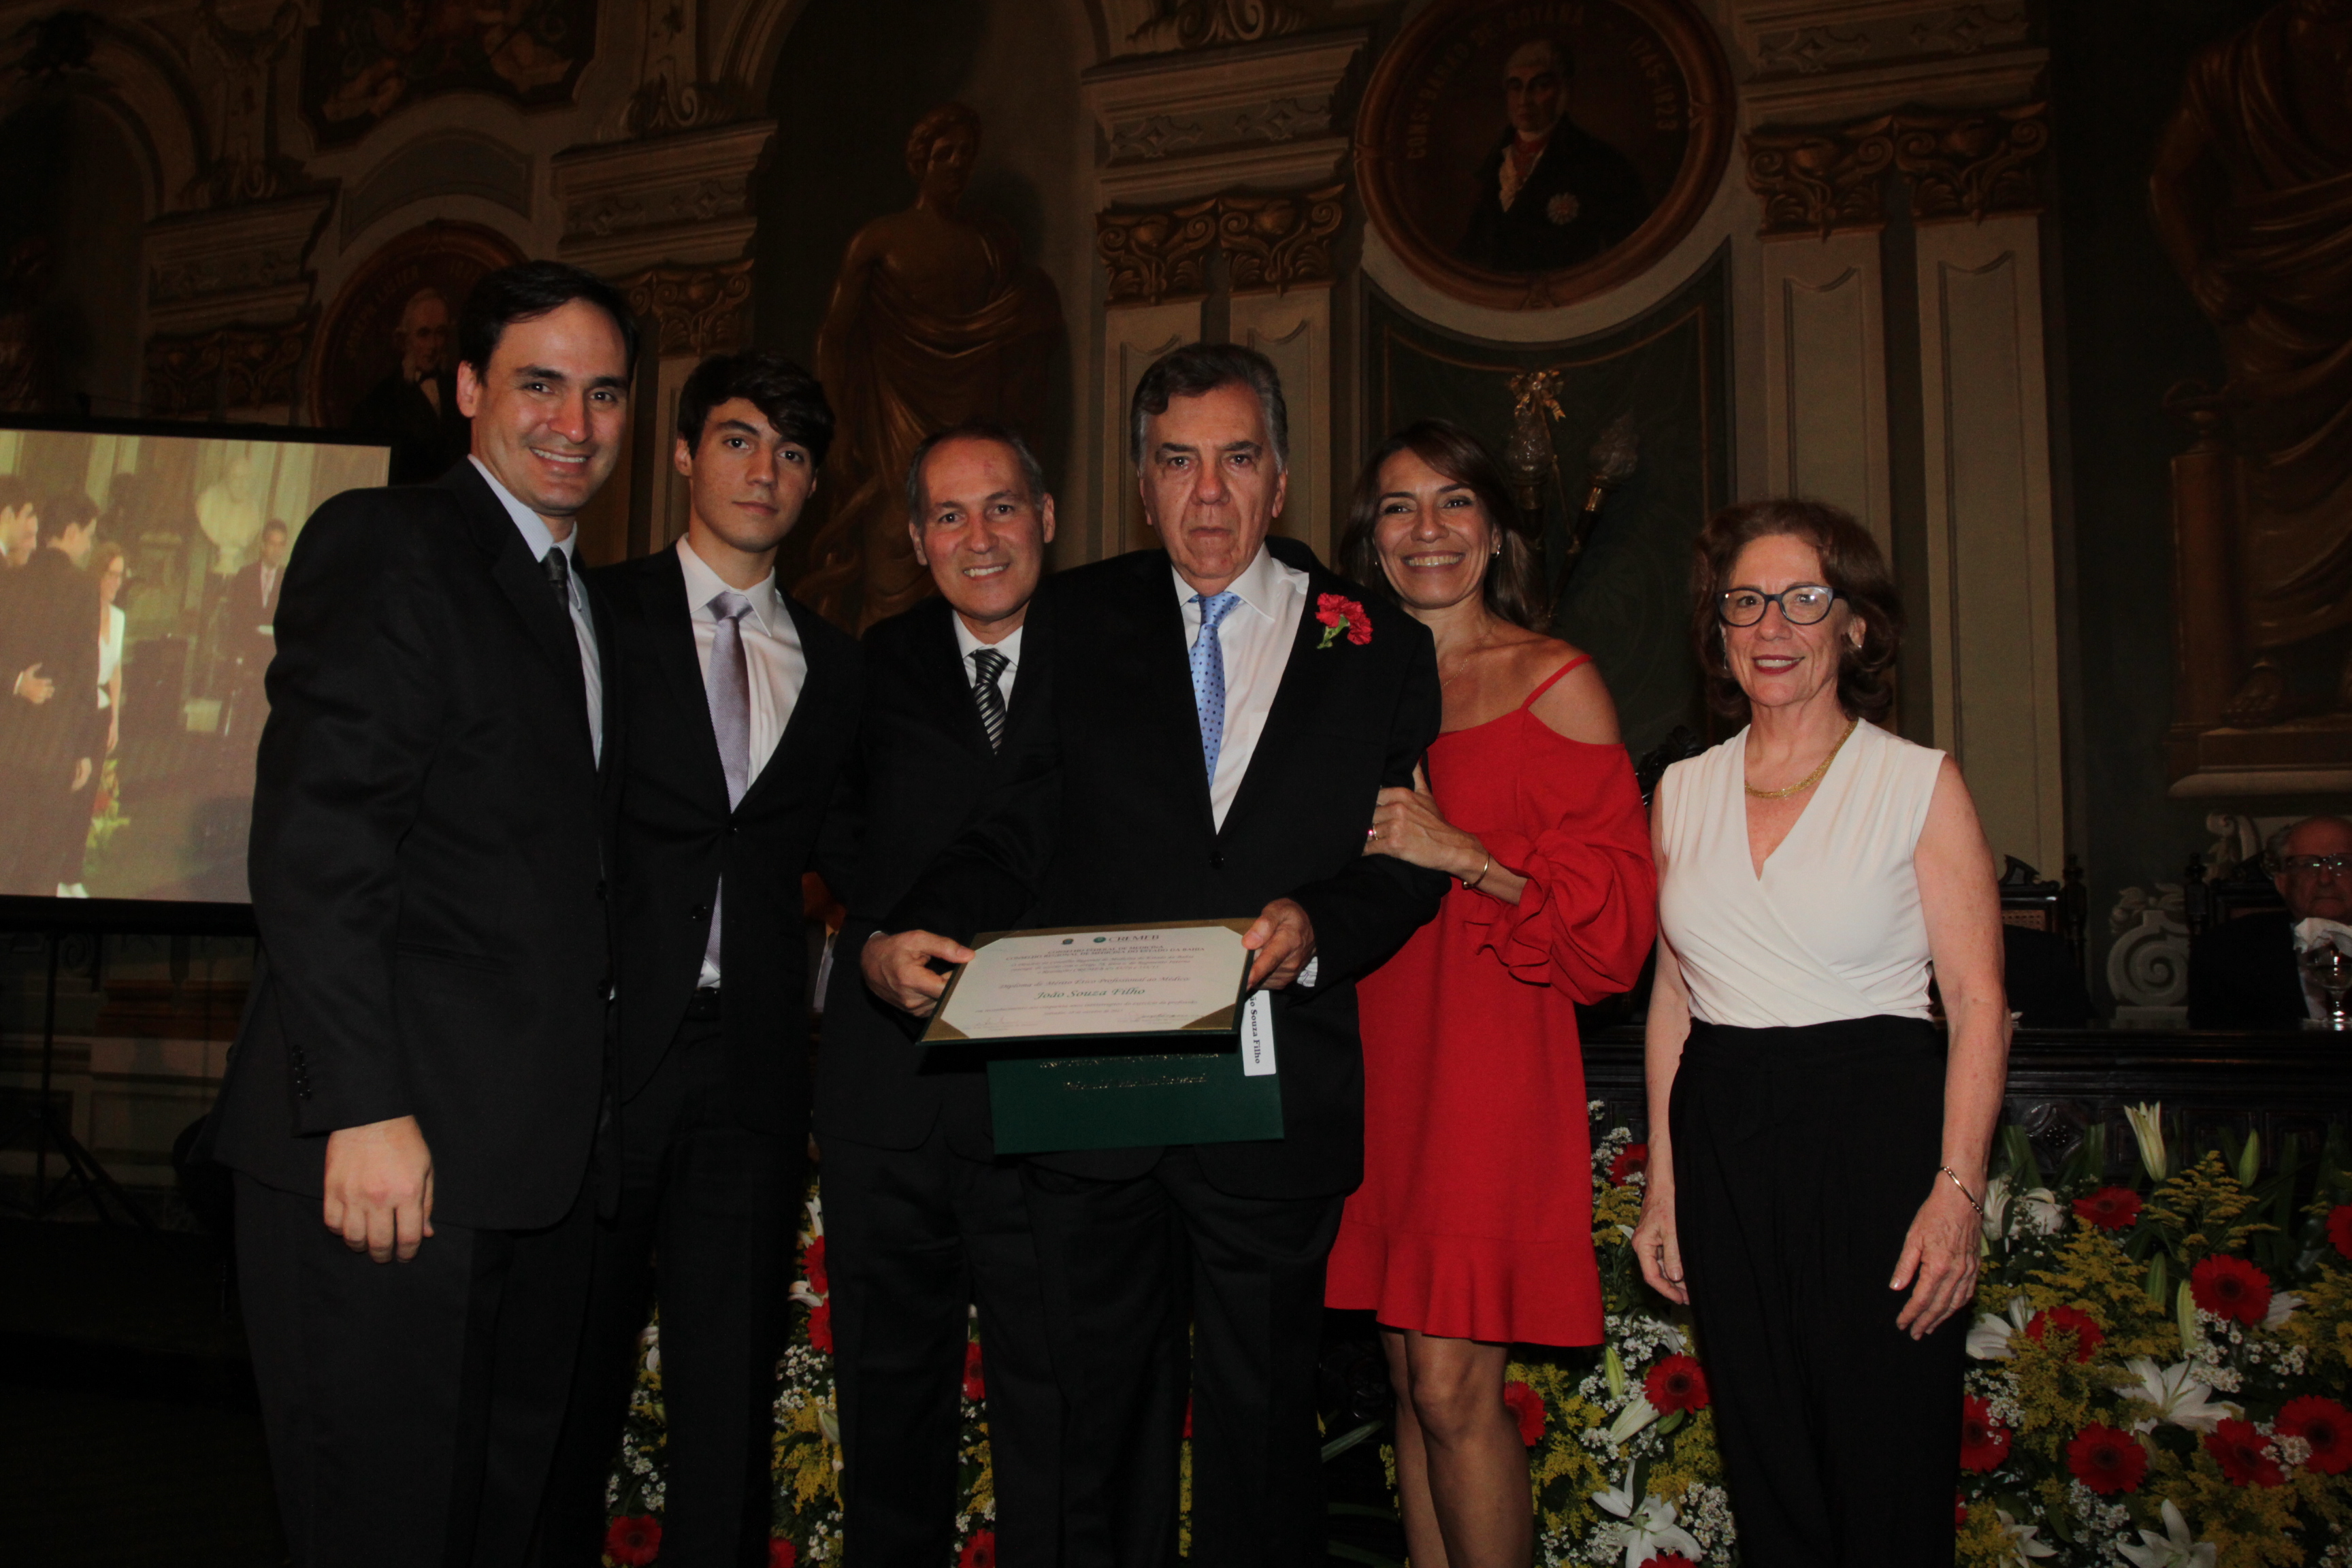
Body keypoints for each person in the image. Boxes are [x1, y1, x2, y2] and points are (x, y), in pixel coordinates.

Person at [865, 342, 1448, 1567]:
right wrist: (904, 927)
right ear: (1142, 485)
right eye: (1178, 462)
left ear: (1280, 477)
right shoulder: (1075, 617)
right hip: (1096, 1099)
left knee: (1264, 1437)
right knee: (1096, 1437)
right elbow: (1018, 822)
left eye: (1237, 459)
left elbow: (1406, 862)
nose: (1208, 494)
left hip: (1273, 1098)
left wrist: (1317, 927)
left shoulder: (1377, 644)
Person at [199, 259, 635, 1568]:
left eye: (605, 392)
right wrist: (363, 1104)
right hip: (389, 1164)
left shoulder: (580, 600)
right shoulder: (391, 543)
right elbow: (321, 847)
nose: (574, 422)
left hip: (529, 1170)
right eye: (540, 384)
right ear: (465, 390)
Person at [1631, 498, 2008, 1567]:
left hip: (1875, 1137)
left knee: (1884, 1465)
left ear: (1856, 624)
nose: (1772, 626)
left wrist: (1959, 1192)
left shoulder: (1917, 782)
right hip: (1725, 1139)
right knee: (1771, 1471)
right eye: (1745, 601)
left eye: (1804, 598)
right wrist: (1663, 1184)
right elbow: (1674, 998)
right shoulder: (1681, 792)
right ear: (1717, 629)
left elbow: (1978, 1001)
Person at [540, 350, 862, 1567]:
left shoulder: (838, 664)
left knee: (728, 1404)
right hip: (601, 1057)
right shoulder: (593, 613)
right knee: (564, 1386)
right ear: (682, 454)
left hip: (755, 1071)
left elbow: (861, 848)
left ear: (812, 484)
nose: (763, 471)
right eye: (736, 440)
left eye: (791, 452)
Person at [1326, 421, 1656, 1568]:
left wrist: (1464, 852)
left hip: (1485, 1059)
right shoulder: (1343, 690)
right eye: (1399, 507)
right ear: (1370, 538)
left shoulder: (1554, 681)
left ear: (1496, 530)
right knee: (1410, 1381)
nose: (1428, 530)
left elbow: (1617, 926)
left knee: (1454, 1384)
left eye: (1454, 502)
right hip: (1372, 1056)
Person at [817, 419, 1065, 1567]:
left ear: (1046, 516)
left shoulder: (1113, 658)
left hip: (1055, 1100)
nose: (981, 537)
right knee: (888, 1411)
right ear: (918, 540)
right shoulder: (866, 668)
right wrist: (872, 939)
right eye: (950, 516)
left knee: (1056, 1412)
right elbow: (826, 832)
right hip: (891, 1090)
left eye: (1002, 506)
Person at [802, 101, 1062, 629]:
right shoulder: (879, 242)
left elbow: (1020, 332)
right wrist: (839, 429)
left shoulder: (992, 243)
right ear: (921, 162)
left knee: (985, 574)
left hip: (976, 416)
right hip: (896, 427)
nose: (957, 164)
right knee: (892, 571)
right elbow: (835, 338)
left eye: (966, 154)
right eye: (946, 153)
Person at [1459, 39, 1648, 275]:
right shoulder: (1494, 162)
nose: (1524, 100)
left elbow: (1627, 256)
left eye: (1540, 86)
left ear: (1563, 91)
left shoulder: (1603, 163)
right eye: (1516, 87)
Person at [2, 492, 99, 896]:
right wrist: (85, 749)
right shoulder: (83, 589)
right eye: (89, 535)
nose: (90, 546)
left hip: (7, 745)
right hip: (55, 749)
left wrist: (15, 683)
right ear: (72, 532)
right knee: (41, 866)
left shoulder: (12, 579)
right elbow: (87, 675)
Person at [2189, 814, 2352, 1028]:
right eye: (2307, 865)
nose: (2325, 879)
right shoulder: (2225, 950)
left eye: (2342, 863)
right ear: (2282, 883)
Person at [54, 538, 125, 898]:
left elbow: (115, 673)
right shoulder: (81, 609)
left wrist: (114, 719)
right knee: (66, 790)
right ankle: (52, 872)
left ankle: (72, 875)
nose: (116, 582)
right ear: (97, 574)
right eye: (110, 574)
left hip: (100, 712)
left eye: (120, 576)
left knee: (87, 799)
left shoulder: (120, 618)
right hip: (75, 710)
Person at [348, 286, 473, 485]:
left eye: (440, 333)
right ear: (404, 340)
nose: (433, 345)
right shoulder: (379, 404)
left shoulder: (464, 391)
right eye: (423, 334)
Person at [219, 518, 289, 738]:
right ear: (263, 545)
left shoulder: (289, 579)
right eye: (273, 544)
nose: (277, 551)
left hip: (273, 654)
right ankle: (236, 741)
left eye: (281, 545)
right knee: (244, 704)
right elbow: (235, 618)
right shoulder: (245, 575)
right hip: (247, 651)